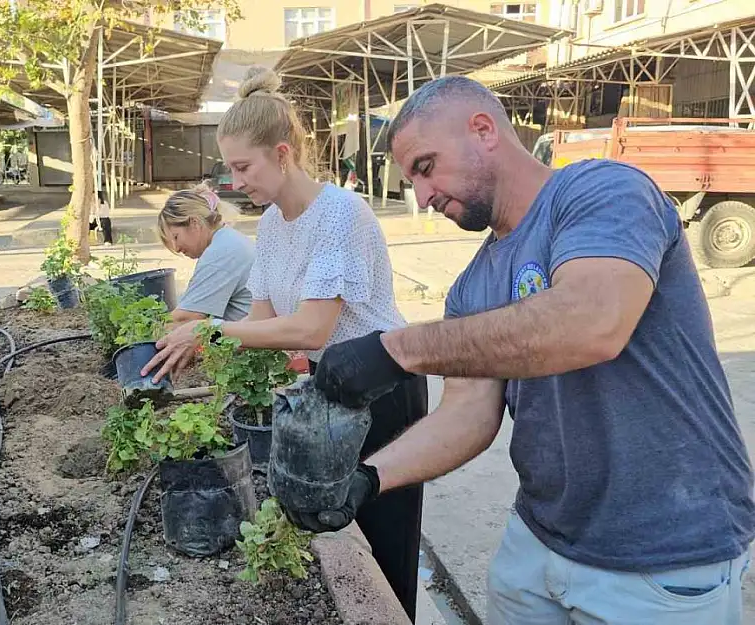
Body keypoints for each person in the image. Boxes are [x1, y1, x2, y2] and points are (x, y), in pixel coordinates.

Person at [294, 75, 755, 624]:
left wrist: (397, 349)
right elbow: (467, 415)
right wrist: (367, 479)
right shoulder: (473, 284)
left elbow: (593, 322)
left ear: (483, 129)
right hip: (537, 544)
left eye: (424, 166)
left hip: (660, 556)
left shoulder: (602, 191)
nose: (421, 195)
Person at [140, 67, 429, 620]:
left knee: (386, 541)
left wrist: (213, 329)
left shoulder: (340, 215)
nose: (235, 181)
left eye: (244, 167)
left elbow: (311, 328)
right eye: (231, 168)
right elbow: (267, 324)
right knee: (334, 519)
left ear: (282, 154)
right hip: (333, 390)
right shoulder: (272, 225)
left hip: (386, 392)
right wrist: (204, 353)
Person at [157, 186, 254, 323]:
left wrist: (145, 328)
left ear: (194, 223)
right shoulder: (227, 239)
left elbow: (187, 317)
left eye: (176, 237)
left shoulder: (220, 253)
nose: (176, 248)